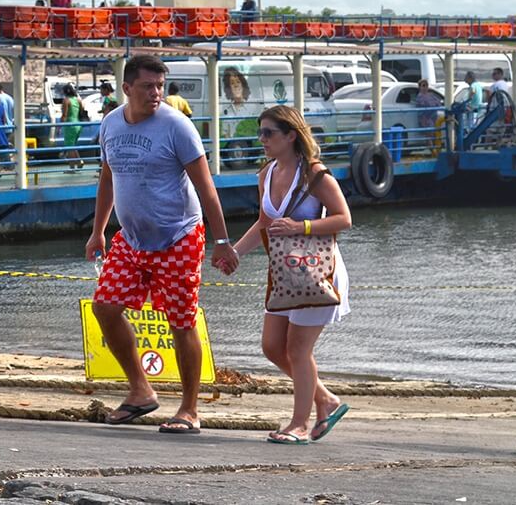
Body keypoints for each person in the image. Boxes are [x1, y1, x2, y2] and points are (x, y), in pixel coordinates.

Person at [86, 54, 234, 435]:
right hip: (132, 238)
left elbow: (206, 189)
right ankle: (140, 390)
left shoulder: (177, 126)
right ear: (127, 88)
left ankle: (189, 409)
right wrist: (97, 229)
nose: (156, 93)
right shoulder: (111, 124)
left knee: (181, 322)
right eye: (148, 86)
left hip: (179, 236)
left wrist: (221, 241)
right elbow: (107, 178)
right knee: (104, 307)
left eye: (160, 86)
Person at [221, 105, 352, 444]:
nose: (261, 139)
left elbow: (344, 218)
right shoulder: (266, 174)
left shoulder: (315, 174)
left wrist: (301, 225)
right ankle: (325, 399)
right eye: (260, 132)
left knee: (297, 349)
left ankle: (299, 423)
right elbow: (264, 224)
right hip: (283, 272)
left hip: (318, 271)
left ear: (290, 135)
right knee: (271, 346)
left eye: (269, 133)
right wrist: (235, 252)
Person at [414, 79, 443, 149]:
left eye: (426, 85)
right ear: (420, 87)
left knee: (434, 134)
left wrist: (434, 106)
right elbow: (423, 106)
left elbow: (438, 103)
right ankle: (432, 150)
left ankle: (436, 149)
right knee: (429, 135)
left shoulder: (431, 95)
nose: (425, 87)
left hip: (433, 117)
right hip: (425, 118)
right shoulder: (419, 97)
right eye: (423, 86)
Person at [61, 83, 83, 171]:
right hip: (78, 124)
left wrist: (59, 126)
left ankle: (71, 167)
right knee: (73, 145)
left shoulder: (66, 100)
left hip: (70, 125)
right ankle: (79, 161)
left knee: (69, 147)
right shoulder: (78, 100)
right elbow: (81, 111)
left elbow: (64, 115)